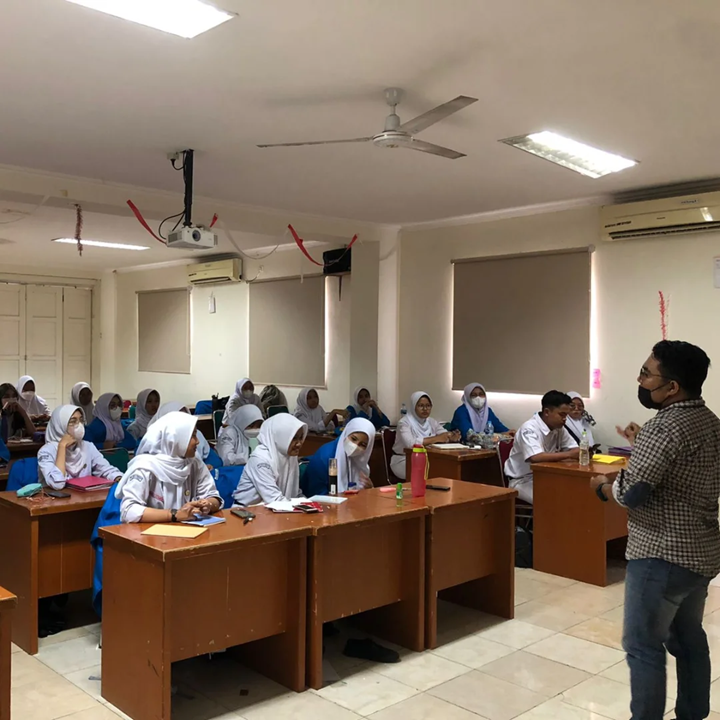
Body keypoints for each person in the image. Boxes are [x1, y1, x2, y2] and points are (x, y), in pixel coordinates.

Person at [591, 341, 720, 720]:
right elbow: (682, 472)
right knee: (688, 638)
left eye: (647, 374)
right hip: (700, 554)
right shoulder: (711, 422)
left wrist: (602, 487)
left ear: (672, 387)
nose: (640, 380)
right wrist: (639, 442)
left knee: (643, 644)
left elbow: (631, 493)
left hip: (660, 555)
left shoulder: (663, 427)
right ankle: (693, 714)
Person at [116, 411, 223, 523]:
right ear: (175, 439)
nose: (197, 441)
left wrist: (208, 504)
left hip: (186, 529)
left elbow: (213, 496)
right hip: (152, 531)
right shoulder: (145, 468)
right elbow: (128, 510)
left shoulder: (194, 463)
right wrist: (173, 514)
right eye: (192, 436)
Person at [504, 390, 579, 503]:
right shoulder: (529, 429)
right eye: (562, 415)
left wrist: (579, 452)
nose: (565, 419)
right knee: (554, 500)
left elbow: (574, 448)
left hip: (546, 475)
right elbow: (536, 457)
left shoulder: (559, 428)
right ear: (547, 412)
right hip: (522, 480)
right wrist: (569, 455)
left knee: (576, 491)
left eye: (566, 415)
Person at [38, 405, 123, 490]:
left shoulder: (88, 446)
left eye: (81, 420)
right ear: (60, 425)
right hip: (55, 497)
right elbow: (57, 484)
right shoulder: (46, 451)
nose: (79, 425)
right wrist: (62, 446)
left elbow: (105, 469)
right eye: (73, 421)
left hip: (83, 495)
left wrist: (119, 478)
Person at [232, 414, 307, 506]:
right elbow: (274, 500)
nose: (299, 444)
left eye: (301, 437)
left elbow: (295, 493)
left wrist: (310, 504)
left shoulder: (290, 456)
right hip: (246, 511)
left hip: (277, 509)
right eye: (294, 438)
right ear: (279, 437)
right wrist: (304, 506)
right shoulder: (260, 460)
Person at [391, 391, 460, 480]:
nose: (425, 409)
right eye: (421, 406)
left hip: (428, 458)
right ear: (413, 406)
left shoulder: (431, 421)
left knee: (445, 468)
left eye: (428, 406)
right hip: (403, 460)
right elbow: (411, 444)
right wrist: (437, 438)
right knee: (430, 471)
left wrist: (451, 436)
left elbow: (444, 434)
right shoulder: (404, 423)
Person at [302, 418, 376, 497]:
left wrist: (369, 489)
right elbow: (316, 494)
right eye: (353, 439)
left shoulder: (359, 461)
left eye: (363, 445)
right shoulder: (325, 456)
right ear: (346, 433)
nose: (355, 446)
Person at [149, 401, 221, 469]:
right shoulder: (155, 448)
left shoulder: (197, 434)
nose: (197, 441)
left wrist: (208, 466)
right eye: (180, 418)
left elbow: (215, 460)